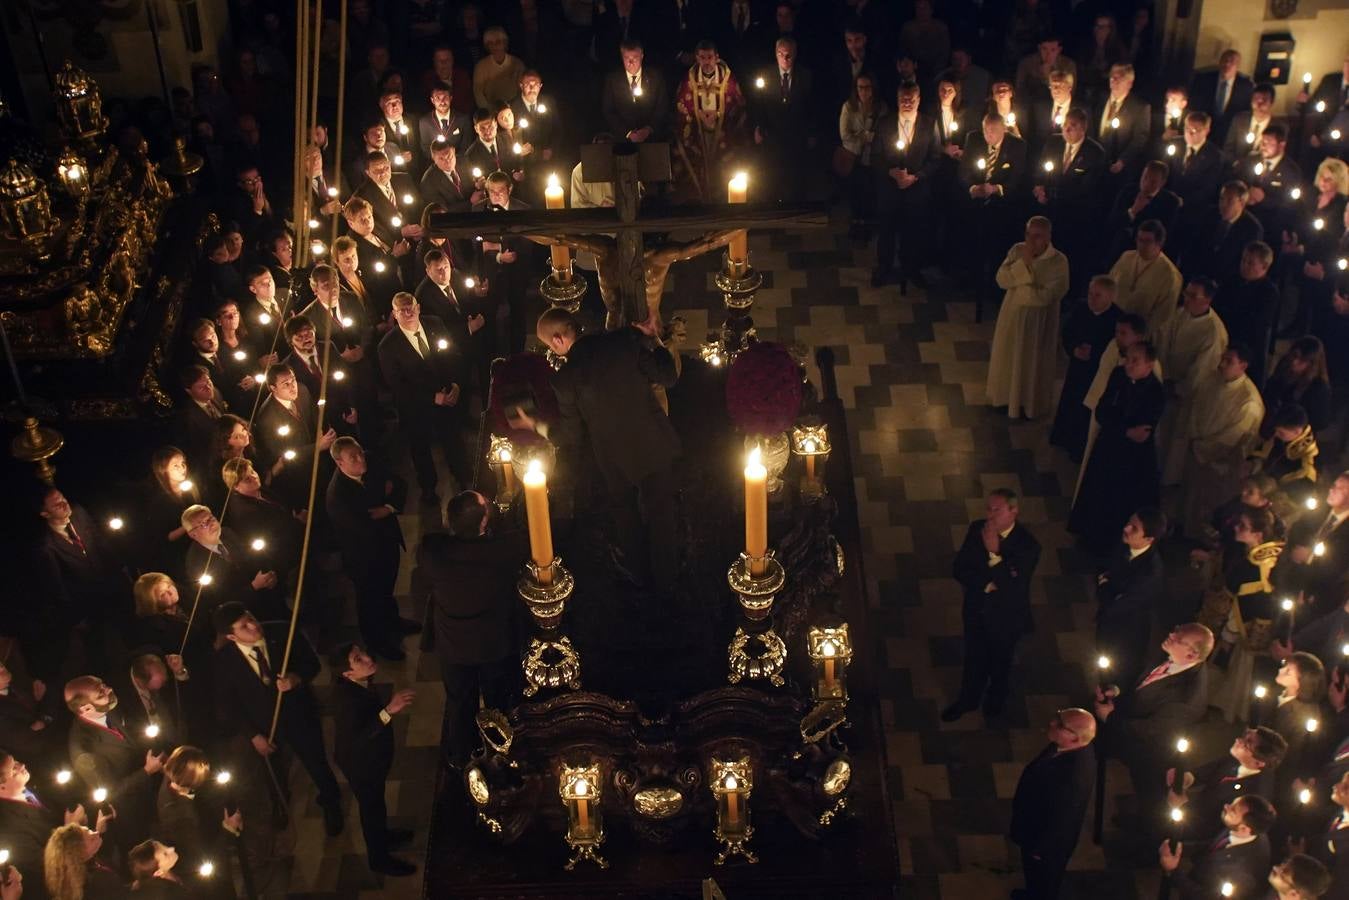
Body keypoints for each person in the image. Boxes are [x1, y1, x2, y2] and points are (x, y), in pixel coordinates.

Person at [531, 307, 679, 591]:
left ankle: (639, 578)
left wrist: (537, 425)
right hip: (653, 442)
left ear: (559, 339)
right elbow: (668, 377)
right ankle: (668, 583)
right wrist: (657, 341)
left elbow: (570, 437)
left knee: (626, 514)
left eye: (550, 345)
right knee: (662, 513)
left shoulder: (564, 380)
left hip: (613, 459)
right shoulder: (621, 343)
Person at [210, 602, 343, 837]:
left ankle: (332, 803)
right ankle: (280, 806)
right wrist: (253, 736)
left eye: (250, 617)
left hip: (299, 715)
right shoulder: (224, 661)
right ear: (231, 636)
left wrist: (296, 678)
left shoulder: (283, 632)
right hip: (264, 727)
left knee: (316, 761)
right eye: (244, 626)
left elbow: (312, 664)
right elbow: (228, 705)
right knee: (273, 771)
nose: (253, 625)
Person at [420, 491, 522, 767]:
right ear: (484, 522)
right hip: (491, 643)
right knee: (496, 696)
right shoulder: (501, 552)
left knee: (458, 700)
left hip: (453, 643)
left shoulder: (433, 552)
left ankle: (460, 754)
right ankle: (500, 751)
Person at [1095, 623, 1214, 815]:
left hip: (1148, 751)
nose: (1171, 635)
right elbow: (1144, 680)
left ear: (1191, 655)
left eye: (1178, 638)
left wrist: (1110, 718)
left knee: (1148, 797)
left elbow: (1152, 729)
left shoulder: (1187, 698)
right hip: (1131, 720)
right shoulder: (1173, 654)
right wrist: (1117, 691)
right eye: (1175, 630)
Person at [942, 489, 1040, 722]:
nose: (991, 515)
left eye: (997, 509)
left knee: (1000, 663)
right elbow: (960, 569)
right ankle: (967, 700)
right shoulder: (978, 529)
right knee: (974, 658)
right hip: (977, 610)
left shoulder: (1028, 546)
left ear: (1013, 511)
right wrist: (987, 585)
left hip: (1007, 618)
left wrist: (995, 553)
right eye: (989, 509)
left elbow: (1013, 586)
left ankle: (994, 705)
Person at [329, 643, 417, 876]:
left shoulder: (357, 683)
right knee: (371, 809)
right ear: (347, 673)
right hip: (361, 764)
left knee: (376, 805)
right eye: (358, 659)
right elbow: (359, 737)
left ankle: (384, 835)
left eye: (363, 652)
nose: (368, 658)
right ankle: (379, 859)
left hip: (371, 758)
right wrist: (389, 710)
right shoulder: (346, 700)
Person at [1070, 341, 1166, 551]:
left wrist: (1120, 427)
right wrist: (1124, 430)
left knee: (1121, 499)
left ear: (1149, 365)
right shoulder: (1118, 375)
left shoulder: (1156, 392)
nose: (1128, 365)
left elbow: (1142, 433)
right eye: (1128, 359)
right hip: (1109, 446)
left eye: (1135, 361)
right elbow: (1103, 411)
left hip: (1133, 458)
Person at [325, 436, 414, 660]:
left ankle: (393, 621)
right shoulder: (337, 496)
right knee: (369, 599)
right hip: (364, 556)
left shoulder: (371, 461)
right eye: (353, 457)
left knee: (387, 588)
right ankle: (377, 642)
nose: (360, 459)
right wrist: (384, 494)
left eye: (360, 452)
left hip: (387, 542)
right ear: (340, 463)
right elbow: (361, 527)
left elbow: (399, 483)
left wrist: (388, 507)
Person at [377, 292, 472, 501]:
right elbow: (397, 385)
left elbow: (452, 354)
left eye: (410, 307)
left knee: (453, 441)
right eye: (402, 310)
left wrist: (456, 383)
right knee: (420, 449)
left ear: (418, 307)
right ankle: (428, 487)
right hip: (415, 407)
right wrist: (431, 397)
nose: (408, 312)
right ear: (394, 314)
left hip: (446, 396)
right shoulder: (387, 346)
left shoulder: (435, 324)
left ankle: (463, 478)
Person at [1172, 345, 1267, 536]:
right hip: (1197, 447)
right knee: (1188, 493)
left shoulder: (1248, 401)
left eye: (1229, 361)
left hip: (1219, 461)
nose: (1221, 365)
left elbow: (1233, 437)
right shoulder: (1213, 379)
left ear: (1243, 365)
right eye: (1222, 359)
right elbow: (1196, 406)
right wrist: (1194, 436)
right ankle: (1181, 528)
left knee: (1207, 504)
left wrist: (1203, 448)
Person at [1201, 507, 1285, 722]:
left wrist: (1227, 632)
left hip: (1243, 625)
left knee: (1235, 668)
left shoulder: (1247, 566)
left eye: (1243, 526)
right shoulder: (1276, 555)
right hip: (1263, 625)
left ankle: (1225, 707)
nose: (1236, 528)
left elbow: (1233, 600)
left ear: (1258, 535)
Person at [985, 216, 1070, 420]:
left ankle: (1029, 404)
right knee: (1008, 357)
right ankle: (1004, 399)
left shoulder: (1059, 261)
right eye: (1028, 235)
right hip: (1012, 317)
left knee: (1032, 363)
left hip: (1039, 324)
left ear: (1049, 237)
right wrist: (1024, 265)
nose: (1032, 242)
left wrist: (1020, 284)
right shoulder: (1017, 251)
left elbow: (1047, 296)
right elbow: (1001, 279)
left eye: (1038, 236)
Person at [1009, 707, 1096, 900]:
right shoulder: (1067, 746)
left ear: (1075, 739)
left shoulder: (1073, 780)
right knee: (1034, 878)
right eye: (1057, 716)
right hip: (1034, 827)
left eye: (1060, 724)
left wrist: (1041, 849)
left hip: (1045, 843)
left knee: (1044, 882)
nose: (1052, 723)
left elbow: (1063, 820)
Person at [871, 79, 939, 291]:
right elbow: (875, 156)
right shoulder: (885, 123)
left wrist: (916, 176)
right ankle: (884, 268)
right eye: (903, 99)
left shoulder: (929, 124)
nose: (907, 103)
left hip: (916, 190)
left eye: (911, 100)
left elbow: (935, 158)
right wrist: (890, 171)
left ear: (918, 100)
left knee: (914, 232)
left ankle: (912, 269)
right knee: (887, 231)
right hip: (890, 189)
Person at [1166, 727, 1287, 841]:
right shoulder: (1239, 757)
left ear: (1258, 763)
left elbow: (1217, 829)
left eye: (1247, 743)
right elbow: (1210, 770)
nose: (1238, 740)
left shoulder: (1254, 799)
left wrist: (1181, 807)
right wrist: (1187, 778)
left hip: (1189, 832)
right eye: (1245, 736)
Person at [1049, 275, 1122, 461]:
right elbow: (1068, 332)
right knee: (1070, 401)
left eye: (1098, 295)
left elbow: (1115, 348)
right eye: (1090, 293)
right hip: (1077, 367)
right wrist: (1074, 349)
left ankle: (1078, 447)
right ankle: (1063, 436)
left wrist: (1094, 352)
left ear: (1110, 298)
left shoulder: (1117, 319)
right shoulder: (1081, 308)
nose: (1092, 299)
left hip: (1097, 372)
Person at [1096, 508, 1168, 687]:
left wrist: (1104, 585)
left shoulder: (1150, 573)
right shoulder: (1123, 546)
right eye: (1129, 522)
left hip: (1126, 634)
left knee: (1116, 675)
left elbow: (1115, 605)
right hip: (1109, 624)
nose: (1126, 528)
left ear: (1149, 539)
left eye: (1134, 528)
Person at [1157, 795, 1276, 899]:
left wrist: (1173, 871)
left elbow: (1206, 896)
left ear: (1244, 829)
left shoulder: (1243, 873)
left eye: (1232, 810)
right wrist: (1179, 847)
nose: (1226, 806)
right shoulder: (1242, 829)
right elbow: (1212, 845)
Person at [673, 41, 747, 202]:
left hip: (722, 133)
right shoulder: (689, 80)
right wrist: (697, 115)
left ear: (717, 58)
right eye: (702, 57)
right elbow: (682, 105)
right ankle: (701, 200)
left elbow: (738, 105)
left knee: (724, 165)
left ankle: (722, 199)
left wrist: (719, 115)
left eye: (709, 57)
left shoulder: (728, 79)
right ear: (696, 59)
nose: (706, 62)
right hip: (698, 133)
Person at [1214, 242, 1280, 385]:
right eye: (1243, 260)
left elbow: (1256, 324)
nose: (1244, 265)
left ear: (1264, 266)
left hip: (1246, 348)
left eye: (1250, 263)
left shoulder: (1269, 292)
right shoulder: (1233, 280)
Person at [1107, 219, 1183, 337]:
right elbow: (1109, 284)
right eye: (1139, 239)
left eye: (1147, 241)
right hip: (1111, 321)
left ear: (1159, 243)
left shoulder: (1170, 275)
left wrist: (1139, 334)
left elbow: (1162, 315)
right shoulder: (1127, 257)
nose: (1141, 245)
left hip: (1136, 332)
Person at [1181, 180, 1264, 285]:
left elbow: (1244, 264)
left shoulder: (1252, 229)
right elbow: (1193, 245)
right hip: (1196, 277)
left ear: (1242, 203)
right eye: (1221, 199)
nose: (1223, 204)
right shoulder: (1209, 214)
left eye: (1229, 201)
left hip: (1226, 284)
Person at [1103, 161, 1182, 265]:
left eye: (1153, 181)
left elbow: (1165, 235)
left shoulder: (1170, 202)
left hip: (1148, 255)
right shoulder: (1128, 191)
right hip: (1120, 250)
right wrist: (1133, 211)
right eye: (1144, 178)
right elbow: (1112, 222)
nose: (1146, 184)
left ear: (1162, 183)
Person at [837, 72, 886, 236]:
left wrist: (866, 137)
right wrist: (865, 137)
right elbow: (845, 135)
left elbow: (884, 134)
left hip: (873, 158)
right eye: (860, 87)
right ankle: (856, 224)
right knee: (855, 191)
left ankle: (869, 224)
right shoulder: (849, 107)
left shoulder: (881, 108)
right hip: (853, 156)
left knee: (871, 191)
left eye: (867, 87)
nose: (863, 91)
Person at [602, 41, 670, 144]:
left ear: (642, 56)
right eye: (626, 58)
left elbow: (662, 107)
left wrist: (648, 130)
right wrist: (628, 133)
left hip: (653, 139)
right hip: (623, 141)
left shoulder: (655, 77)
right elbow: (608, 111)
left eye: (635, 58)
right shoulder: (613, 80)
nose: (631, 62)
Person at [43, 823, 124, 900]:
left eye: (89, 830)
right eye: (90, 837)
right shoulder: (100, 882)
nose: (96, 833)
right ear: (78, 851)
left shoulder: (67, 884)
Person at [1188, 49, 1254, 144]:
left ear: (1238, 66)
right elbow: (1193, 104)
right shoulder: (1203, 80)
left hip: (1229, 135)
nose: (1227, 64)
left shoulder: (1245, 86)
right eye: (1225, 60)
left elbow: (1246, 111)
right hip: (1202, 132)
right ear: (1220, 62)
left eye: (1232, 61)